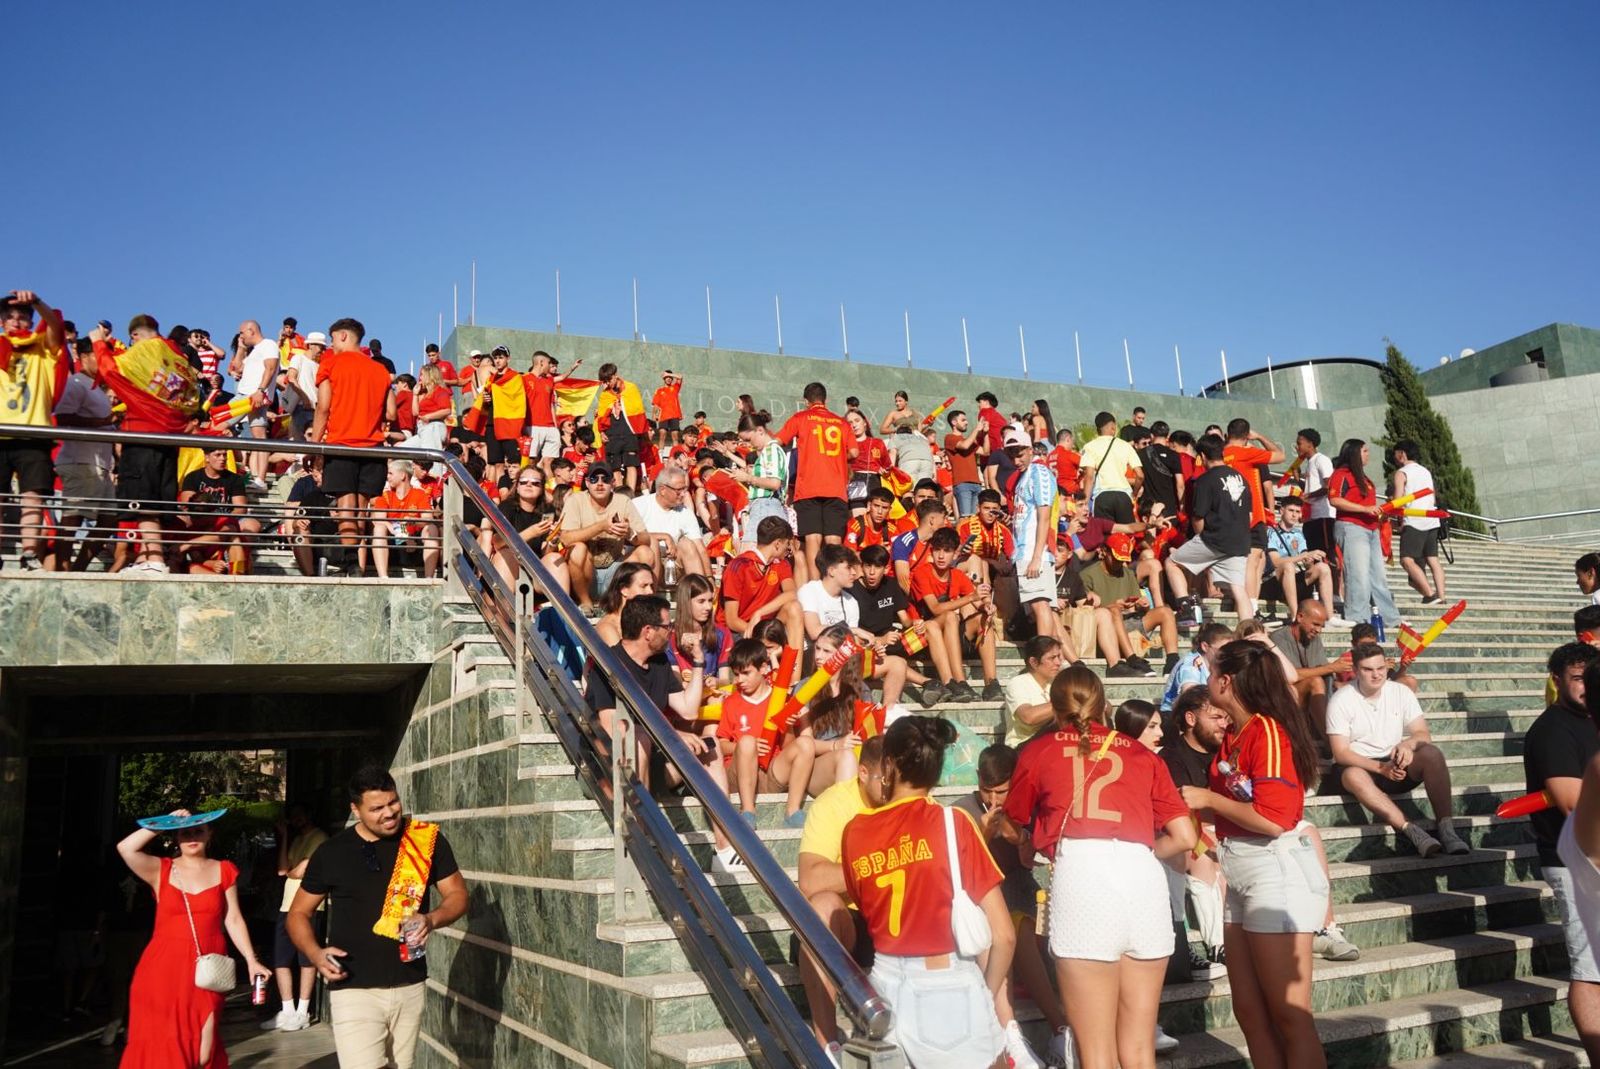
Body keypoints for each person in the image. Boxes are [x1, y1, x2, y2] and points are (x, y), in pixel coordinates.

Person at [1000, 665, 1195, 1069]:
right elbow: (1184, 837)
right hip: (1142, 877)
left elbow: (1010, 824)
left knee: (1096, 1055)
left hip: (1084, 878)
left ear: (1055, 708)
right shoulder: (1141, 753)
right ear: (1104, 705)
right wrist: (1141, 850)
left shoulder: (1039, 750)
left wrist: (1028, 841)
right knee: (1140, 1050)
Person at [1178, 640, 1327, 1069]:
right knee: (1249, 1011)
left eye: (1210, 673)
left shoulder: (1268, 731)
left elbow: (1275, 818)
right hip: (1240, 866)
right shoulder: (1238, 734)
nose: (1206, 680)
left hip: (1273, 868)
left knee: (1288, 1013)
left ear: (1226, 682)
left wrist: (1209, 800)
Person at [842, 716, 1014, 1069]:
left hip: (884, 985)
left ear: (888, 765)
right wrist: (986, 992)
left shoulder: (854, 832)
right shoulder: (954, 823)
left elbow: (865, 903)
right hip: (946, 983)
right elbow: (1005, 936)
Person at [289, 767, 469, 1069]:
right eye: (376, 808)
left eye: (393, 803)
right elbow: (298, 913)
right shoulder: (331, 852)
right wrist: (314, 953)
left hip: (410, 983)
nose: (389, 813)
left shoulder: (425, 840)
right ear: (355, 810)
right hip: (353, 986)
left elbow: (458, 895)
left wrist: (432, 919)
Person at [115, 809, 270, 1067]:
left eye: (198, 830)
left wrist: (251, 960)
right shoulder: (161, 869)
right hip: (162, 970)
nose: (192, 837)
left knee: (203, 1053)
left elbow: (233, 919)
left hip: (208, 966)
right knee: (162, 1045)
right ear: (175, 837)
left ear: (210, 833)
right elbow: (125, 848)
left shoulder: (224, 870)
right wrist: (165, 822)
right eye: (185, 832)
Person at [952, 744, 1064, 1069]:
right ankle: (1013, 1031)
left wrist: (1022, 838)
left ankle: (1056, 1031)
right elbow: (958, 868)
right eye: (987, 791)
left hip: (1017, 890)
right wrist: (984, 836)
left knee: (1021, 929)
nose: (994, 800)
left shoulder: (1027, 808)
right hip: (982, 900)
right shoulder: (963, 810)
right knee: (1011, 931)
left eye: (1002, 791)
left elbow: (1032, 861)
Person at [1526, 642, 1600, 1061]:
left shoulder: (1592, 722)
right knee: (1591, 971)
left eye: (1590, 679)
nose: (1586, 688)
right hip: (1575, 865)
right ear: (1556, 681)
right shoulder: (1553, 731)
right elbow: (1572, 802)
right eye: (1577, 679)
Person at [1327, 642, 1470, 857]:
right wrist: (1380, 768)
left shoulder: (1401, 692)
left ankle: (1447, 829)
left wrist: (1407, 744)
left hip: (1393, 760)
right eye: (1368, 670)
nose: (1376, 675)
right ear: (1356, 671)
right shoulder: (1341, 700)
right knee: (1353, 775)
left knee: (1432, 754)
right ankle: (1411, 831)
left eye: (1380, 668)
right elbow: (1341, 753)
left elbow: (1423, 734)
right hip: (1358, 764)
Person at [796, 736, 888, 1058]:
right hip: (851, 921)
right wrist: (873, 867)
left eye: (898, 777)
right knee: (819, 906)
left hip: (897, 914)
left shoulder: (912, 800)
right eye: (884, 779)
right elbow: (809, 879)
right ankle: (827, 1044)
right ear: (863, 773)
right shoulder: (833, 804)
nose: (892, 787)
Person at [93, 315, 203, 573]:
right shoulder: (179, 359)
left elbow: (110, 371)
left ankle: (153, 559)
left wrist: (99, 344)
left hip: (143, 434)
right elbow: (194, 402)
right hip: (169, 441)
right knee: (155, 502)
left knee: (143, 503)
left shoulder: (145, 350)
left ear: (135, 336)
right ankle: (146, 557)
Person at [312, 318, 397, 576]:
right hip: (373, 447)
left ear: (345, 336)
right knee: (360, 507)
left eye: (333, 338)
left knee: (346, 506)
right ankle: (353, 564)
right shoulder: (380, 370)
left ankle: (350, 563)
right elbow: (391, 413)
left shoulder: (331, 363)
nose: (331, 344)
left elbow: (323, 407)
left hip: (342, 442)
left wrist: (315, 448)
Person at [1161, 688, 1230, 979]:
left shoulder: (1227, 750)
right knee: (1206, 856)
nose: (1223, 724)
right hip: (1187, 834)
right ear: (1191, 718)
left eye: (1226, 718)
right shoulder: (1171, 757)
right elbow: (1181, 814)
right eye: (1215, 717)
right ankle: (1218, 945)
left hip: (1227, 829)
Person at [716, 637, 817, 827]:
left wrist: (787, 728)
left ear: (763, 669)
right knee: (746, 742)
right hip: (739, 773)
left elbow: (786, 747)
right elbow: (720, 745)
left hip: (771, 772)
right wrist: (744, 746)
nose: (740, 680)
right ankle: (747, 810)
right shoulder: (731, 702)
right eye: (736, 675)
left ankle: (792, 810)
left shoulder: (781, 698)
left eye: (746, 673)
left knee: (806, 743)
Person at [1165, 436, 1254, 625]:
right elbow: (1250, 516)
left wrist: (1200, 542)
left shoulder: (1205, 480)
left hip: (1215, 539)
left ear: (1203, 456)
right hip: (1241, 541)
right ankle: (1250, 632)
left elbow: (1198, 518)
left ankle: (1186, 611)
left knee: (1171, 563)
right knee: (1239, 589)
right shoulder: (1241, 479)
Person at [776, 382, 857, 585]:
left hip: (809, 487)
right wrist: (838, 457)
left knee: (812, 539)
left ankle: (815, 587)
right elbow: (854, 452)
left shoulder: (801, 418)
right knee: (833, 540)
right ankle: (836, 584)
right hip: (836, 487)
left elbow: (778, 440)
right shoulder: (841, 422)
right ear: (825, 400)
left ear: (806, 401)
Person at [911, 526, 1001, 701]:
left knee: (983, 619)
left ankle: (991, 683)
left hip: (950, 632)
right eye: (937, 550)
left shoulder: (957, 575)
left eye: (947, 551)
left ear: (954, 554)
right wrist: (971, 597)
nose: (942, 555)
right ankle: (959, 681)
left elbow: (977, 601)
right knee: (951, 616)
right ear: (931, 551)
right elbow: (935, 609)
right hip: (925, 634)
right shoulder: (922, 573)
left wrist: (987, 606)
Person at [261, 804, 328, 1034]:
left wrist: (292, 870)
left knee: (306, 960)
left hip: (309, 907)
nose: (297, 819)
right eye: (293, 816)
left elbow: (298, 872)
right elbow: (283, 871)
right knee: (281, 959)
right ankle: (287, 1010)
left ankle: (303, 1012)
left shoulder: (320, 837)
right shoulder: (297, 839)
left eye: (300, 814)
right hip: (287, 906)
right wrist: (285, 837)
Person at [1078, 535, 1178, 678]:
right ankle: (1131, 658)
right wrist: (1115, 605)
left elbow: (1136, 604)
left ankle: (1172, 661)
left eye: (1122, 560)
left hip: (1129, 620)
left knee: (1165, 612)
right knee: (1114, 611)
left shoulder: (1128, 573)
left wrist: (1141, 604)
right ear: (1105, 551)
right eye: (1116, 558)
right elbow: (1086, 612)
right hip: (1106, 627)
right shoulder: (1087, 575)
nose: (1119, 563)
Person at [1327, 438, 1400, 634]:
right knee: (1358, 574)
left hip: (1371, 528)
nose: (1368, 454)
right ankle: (1358, 616)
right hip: (1352, 527)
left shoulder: (1365, 479)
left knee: (1378, 575)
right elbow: (1334, 499)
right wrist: (1363, 509)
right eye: (1365, 451)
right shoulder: (1341, 475)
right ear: (1354, 453)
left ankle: (1390, 618)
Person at [1005, 428, 1070, 649]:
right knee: (1039, 606)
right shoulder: (1023, 477)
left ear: (1031, 450)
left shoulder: (1039, 473)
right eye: (1012, 455)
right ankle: (1052, 653)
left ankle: (1045, 653)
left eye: (1020, 454)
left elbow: (1044, 517)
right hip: (1025, 550)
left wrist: (1036, 556)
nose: (1016, 460)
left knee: (1041, 605)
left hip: (1035, 551)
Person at [558, 462, 655, 609]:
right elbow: (565, 539)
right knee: (578, 549)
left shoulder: (623, 501)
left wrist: (630, 534)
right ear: (587, 483)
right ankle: (586, 602)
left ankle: (633, 606)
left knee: (645, 552)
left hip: (615, 572)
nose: (599, 483)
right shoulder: (575, 501)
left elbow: (646, 538)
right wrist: (601, 526)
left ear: (613, 483)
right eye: (594, 479)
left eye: (605, 479)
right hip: (584, 576)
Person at [1221, 419, 1285, 608]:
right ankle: (1249, 604)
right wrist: (1259, 437)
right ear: (1246, 435)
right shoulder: (1246, 453)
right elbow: (1280, 456)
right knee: (1253, 558)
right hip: (1251, 514)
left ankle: (1248, 602)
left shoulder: (1221, 454)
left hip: (1228, 515)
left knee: (1248, 559)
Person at [719, 515, 806, 645]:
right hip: (736, 632)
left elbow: (791, 594)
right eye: (787, 545)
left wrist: (759, 613)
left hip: (763, 627)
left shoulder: (781, 564)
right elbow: (732, 620)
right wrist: (759, 633)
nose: (788, 551)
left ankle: (793, 665)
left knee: (794, 607)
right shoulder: (738, 566)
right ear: (777, 544)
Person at [1269, 602, 1352, 732]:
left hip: (1304, 697)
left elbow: (1321, 669)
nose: (1318, 630)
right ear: (1300, 617)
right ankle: (1329, 738)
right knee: (1316, 681)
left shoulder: (1313, 638)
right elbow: (1290, 676)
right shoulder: (1278, 638)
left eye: (1321, 626)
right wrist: (1331, 667)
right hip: (1281, 696)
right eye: (1315, 624)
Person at [1263, 498, 1347, 624]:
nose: (1294, 515)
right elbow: (1276, 562)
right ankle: (1294, 615)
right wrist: (1304, 556)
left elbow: (1306, 561)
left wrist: (1310, 560)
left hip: (1294, 578)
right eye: (1291, 510)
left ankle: (1330, 617)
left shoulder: (1298, 534)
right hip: (1274, 581)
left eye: (1297, 512)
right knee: (1288, 566)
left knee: (1322, 568)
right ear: (1281, 510)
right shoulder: (1271, 532)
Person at [489, 466, 568, 591]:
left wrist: (552, 541)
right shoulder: (507, 507)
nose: (529, 485)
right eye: (524, 481)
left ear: (542, 488)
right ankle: (503, 608)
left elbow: (545, 552)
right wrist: (530, 533)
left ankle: (561, 610)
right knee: (506, 554)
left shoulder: (548, 511)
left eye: (535, 483)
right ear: (518, 487)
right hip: (509, 567)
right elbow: (498, 543)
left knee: (555, 558)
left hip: (535, 569)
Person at [634, 466, 711, 582]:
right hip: (644, 563)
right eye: (679, 490)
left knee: (687, 544)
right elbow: (630, 536)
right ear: (662, 490)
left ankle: (699, 591)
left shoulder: (686, 513)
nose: (684, 494)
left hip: (673, 565)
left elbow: (700, 548)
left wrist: (709, 579)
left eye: (685, 489)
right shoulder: (639, 505)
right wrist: (663, 536)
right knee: (649, 546)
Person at [1392, 440, 1446, 604]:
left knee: (1406, 559)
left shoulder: (1402, 473)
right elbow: (1432, 496)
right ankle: (1442, 596)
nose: (1395, 458)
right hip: (1431, 519)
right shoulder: (1425, 471)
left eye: (1396, 454)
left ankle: (1430, 594)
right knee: (1433, 560)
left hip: (1414, 519)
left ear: (1402, 454)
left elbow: (1398, 500)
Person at [230, 320, 280, 490]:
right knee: (259, 436)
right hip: (249, 394)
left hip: (250, 396)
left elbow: (271, 368)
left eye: (242, 333)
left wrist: (260, 390)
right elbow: (235, 369)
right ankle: (259, 479)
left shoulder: (268, 344)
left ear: (251, 331)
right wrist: (241, 348)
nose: (240, 336)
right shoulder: (253, 351)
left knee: (218, 422)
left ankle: (259, 478)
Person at [371, 460, 441, 579]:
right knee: (379, 528)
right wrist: (401, 533)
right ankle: (383, 577)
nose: (387, 477)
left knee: (432, 528)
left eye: (390, 473)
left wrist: (413, 522)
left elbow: (428, 518)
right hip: (394, 539)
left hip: (416, 537)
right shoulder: (386, 495)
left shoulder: (420, 494)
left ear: (403, 475)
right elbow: (378, 519)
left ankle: (429, 578)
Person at [733, 410, 789, 540]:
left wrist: (748, 478)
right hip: (764, 506)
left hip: (766, 505)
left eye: (748, 439)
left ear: (760, 431)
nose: (748, 444)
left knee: (751, 553)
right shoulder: (767, 451)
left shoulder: (771, 450)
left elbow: (774, 483)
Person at [1078, 411, 1143, 523]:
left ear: (1098, 429)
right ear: (1113, 427)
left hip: (1102, 497)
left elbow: (1089, 477)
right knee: (1126, 533)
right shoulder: (1125, 446)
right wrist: (1134, 494)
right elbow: (1140, 476)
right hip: (1124, 497)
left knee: (1104, 536)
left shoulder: (1090, 446)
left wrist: (1085, 502)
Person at [594, 362, 649, 494]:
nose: (607, 383)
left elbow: (638, 409)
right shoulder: (605, 395)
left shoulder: (631, 388)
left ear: (615, 376)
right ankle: (619, 492)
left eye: (608, 380)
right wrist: (602, 431)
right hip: (612, 432)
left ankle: (629, 493)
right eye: (604, 381)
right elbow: (601, 415)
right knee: (615, 466)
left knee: (631, 464)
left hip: (630, 431)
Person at [1003, 635, 1066, 747]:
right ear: (1034, 662)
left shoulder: (1058, 681)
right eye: (1052, 658)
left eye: (1058, 657)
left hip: (1052, 745)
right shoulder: (1018, 683)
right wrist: (1069, 702)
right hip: (1023, 746)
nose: (1058, 663)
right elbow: (1028, 717)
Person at [594, 562, 657, 646]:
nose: (650, 591)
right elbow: (620, 658)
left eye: (651, 586)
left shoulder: (647, 621)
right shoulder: (608, 628)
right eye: (644, 586)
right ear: (624, 590)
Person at [944, 409, 987, 517]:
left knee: (974, 520)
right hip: (962, 483)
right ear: (954, 422)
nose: (966, 422)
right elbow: (964, 446)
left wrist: (985, 434)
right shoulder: (950, 438)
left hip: (976, 483)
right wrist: (977, 429)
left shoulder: (969, 440)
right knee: (966, 518)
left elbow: (985, 452)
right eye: (963, 420)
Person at [652, 369, 684, 445]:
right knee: (662, 435)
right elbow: (656, 405)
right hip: (663, 416)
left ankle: (675, 454)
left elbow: (680, 377)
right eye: (667, 377)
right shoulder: (659, 390)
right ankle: (660, 454)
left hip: (674, 415)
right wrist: (655, 416)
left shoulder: (675, 387)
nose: (669, 379)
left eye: (670, 378)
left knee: (675, 436)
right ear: (664, 379)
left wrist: (669, 374)